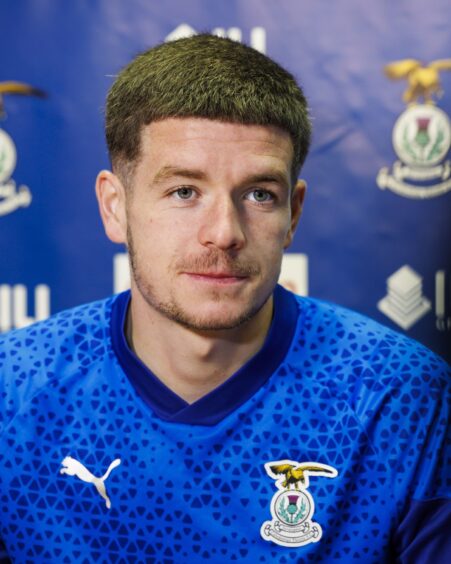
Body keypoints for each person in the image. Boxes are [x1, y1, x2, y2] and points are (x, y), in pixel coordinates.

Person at [0, 34, 449, 564]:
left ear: (293, 215)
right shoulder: (13, 391)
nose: (224, 233)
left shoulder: (400, 396)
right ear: (114, 207)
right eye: (184, 192)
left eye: (259, 194)